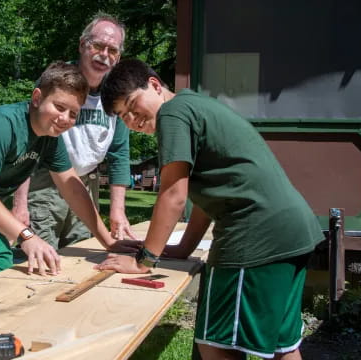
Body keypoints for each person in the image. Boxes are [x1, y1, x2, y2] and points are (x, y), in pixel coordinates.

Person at [95, 59, 325, 360]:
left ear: (154, 84)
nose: (132, 120)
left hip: (255, 237)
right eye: (123, 116)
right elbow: (205, 197)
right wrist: (182, 248)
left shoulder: (173, 113)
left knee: (215, 345)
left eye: (133, 105)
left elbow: (174, 194)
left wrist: (144, 261)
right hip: (292, 233)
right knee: (283, 347)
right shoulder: (195, 106)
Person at [0, 61, 138, 299]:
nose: (65, 119)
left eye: (74, 114)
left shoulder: (50, 139)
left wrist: (109, 242)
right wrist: (27, 236)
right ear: (37, 97)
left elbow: (73, 188)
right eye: (60, 107)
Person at [12, 13, 136, 250]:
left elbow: (119, 153)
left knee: (84, 257)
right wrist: (20, 204)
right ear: (82, 45)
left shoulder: (116, 95)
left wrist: (117, 211)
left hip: (86, 186)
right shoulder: (59, 81)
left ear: (118, 57)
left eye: (112, 50)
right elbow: (28, 140)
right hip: (45, 183)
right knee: (41, 258)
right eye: (98, 45)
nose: (104, 55)